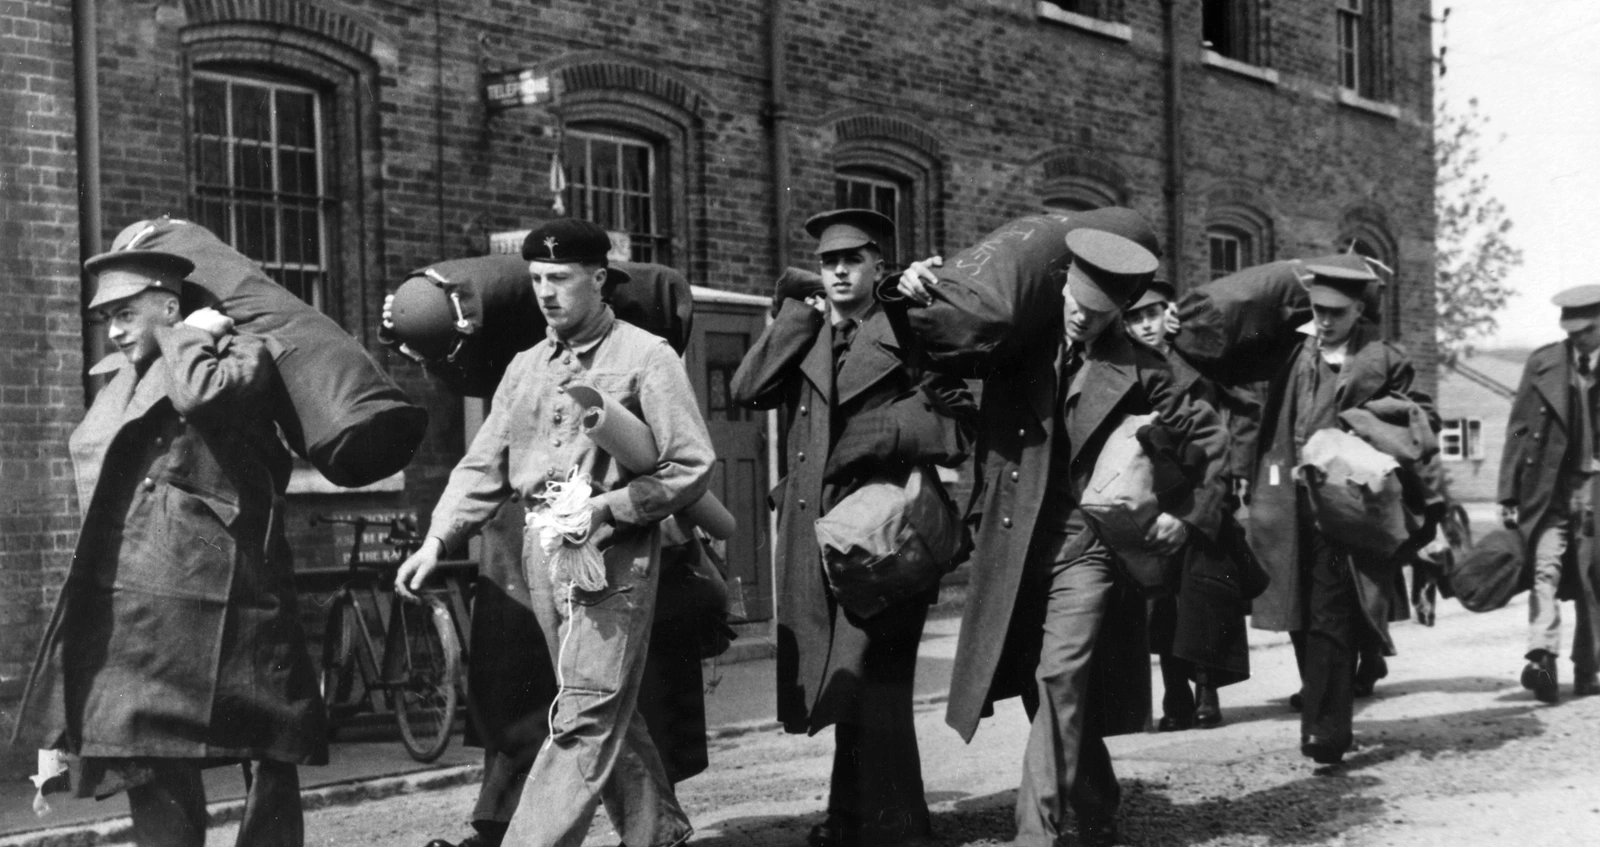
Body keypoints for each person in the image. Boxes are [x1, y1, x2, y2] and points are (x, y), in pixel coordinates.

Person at [895, 210, 1225, 847]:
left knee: (1060, 677)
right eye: (1076, 301)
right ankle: (1097, 798)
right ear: (1063, 284)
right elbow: (936, 364)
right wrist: (914, 294)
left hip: (1088, 549)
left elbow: (1211, 444)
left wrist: (1189, 519)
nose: (1081, 317)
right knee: (1035, 682)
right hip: (1014, 544)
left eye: (1099, 312)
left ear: (1123, 310)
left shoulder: (1148, 371)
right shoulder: (1017, 340)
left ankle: (1036, 834)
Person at [395, 218, 714, 847]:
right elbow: (485, 463)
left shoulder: (646, 357)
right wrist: (438, 540)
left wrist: (612, 508)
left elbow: (692, 466)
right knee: (596, 701)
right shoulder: (524, 367)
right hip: (540, 553)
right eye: (537, 279)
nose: (546, 291)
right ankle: (659, 832)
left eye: (560, 278)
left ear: (599, 280)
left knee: (585, 713)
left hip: (611, 555)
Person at [12, 248, 327, 847]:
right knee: (143, 751)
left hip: (232, 596)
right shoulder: (119, 380)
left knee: (269, 745)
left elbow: (206, 397)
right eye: (107, 317)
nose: (114, 330)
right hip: (139, 604)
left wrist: (188, 338)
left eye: (127, 313)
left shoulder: (235, 352)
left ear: (170, 305)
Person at [730, 209, 975, 847]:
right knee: (845, 679)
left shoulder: (907, 331)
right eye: (828, 263)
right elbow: (746, 388)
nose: (839, 272)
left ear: (878, 268)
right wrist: (794, 317)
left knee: (881, 679)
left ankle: (895, 825)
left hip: (885, 531)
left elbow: (960, 420)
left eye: (853, 261)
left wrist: (886, 432)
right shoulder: (807, 333)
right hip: (820, 534)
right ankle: (851, 819)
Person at [1241, 255, 1437, 764]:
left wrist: (1364, 422)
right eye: (1318, 309)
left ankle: (1326, 729)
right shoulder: (1294, 351)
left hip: (1345, 505)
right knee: (1297, 609)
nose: (1325, 321)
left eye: (1338, 313)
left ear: (1360, 311)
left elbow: (1421, 420)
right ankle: (1323, 698)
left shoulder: (1384, 359)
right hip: (1288, 502)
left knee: (1331, 609)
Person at [1124, 279, 1256, 732]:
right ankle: (1175, 693)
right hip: (1156, 491)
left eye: (1153, 314)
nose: (1145, 325)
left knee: (1204, 594)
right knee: (1161, 599)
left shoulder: (1194, 359)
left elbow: (1238, 408)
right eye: (1135, 318)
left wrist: (1230, 476)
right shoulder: (1127, 368)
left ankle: (1207, 690)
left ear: (1169, 314)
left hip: (1206, 488)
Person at [1498, 285, 1600, 703]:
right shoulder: (1543, 363)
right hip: (1548, 489)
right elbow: (1519, 427)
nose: (1578, 339)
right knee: (1546, 571)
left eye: (1587, 330)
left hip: (1596, 490)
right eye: (1571, 331)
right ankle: (1541, 659)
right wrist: (1508, 491)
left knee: (1593, 579)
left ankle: (1587, 669)